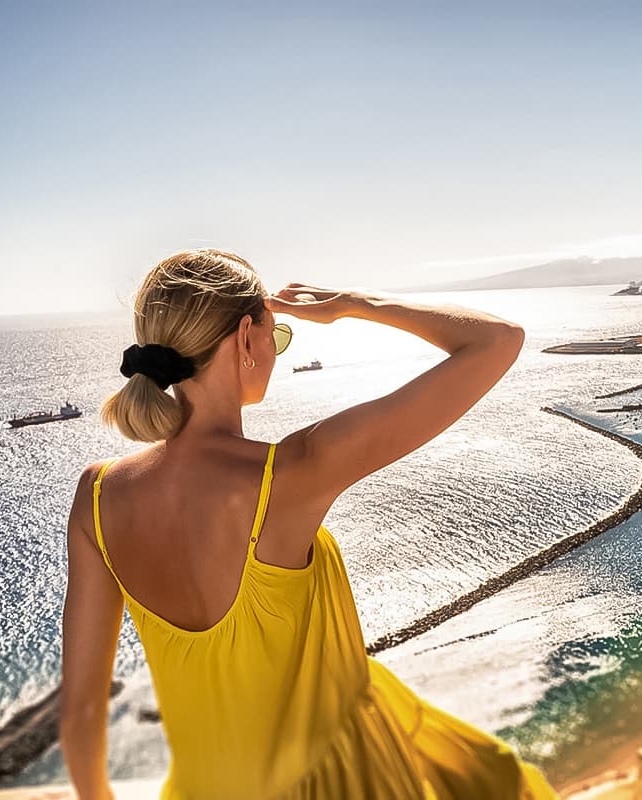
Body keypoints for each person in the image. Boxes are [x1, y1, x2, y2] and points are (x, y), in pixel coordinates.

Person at [59, 249, 555, 799]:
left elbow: (82, 709)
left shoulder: (96, 495)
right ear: (247, 338)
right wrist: (353, 304)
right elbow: (498, 339)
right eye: (279, 334)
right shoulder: (290, 475)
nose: (276, 348)